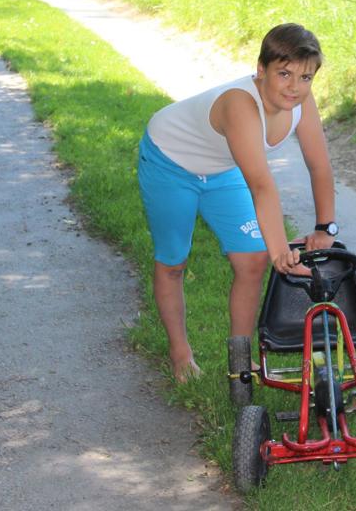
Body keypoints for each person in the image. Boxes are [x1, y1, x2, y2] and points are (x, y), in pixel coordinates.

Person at [138, 23, 338, 382]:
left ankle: (241, 362)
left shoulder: (301, 103)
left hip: (221, 169)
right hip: (170, 162)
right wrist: (280, 251)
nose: (295, 87)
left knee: (252, 260)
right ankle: (180, 355)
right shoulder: (240, 104)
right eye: (285, 74)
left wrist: (325, 227)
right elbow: (262, 185)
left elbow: (319, 164)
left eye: (306, 77)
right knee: (173, 261)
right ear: (260, 71)